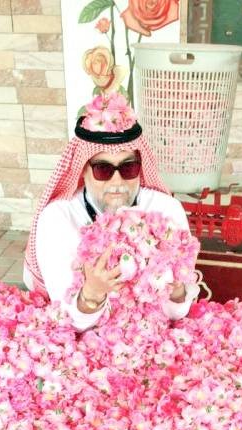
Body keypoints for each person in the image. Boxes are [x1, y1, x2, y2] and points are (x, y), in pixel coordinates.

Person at [23, 93, 199, 331]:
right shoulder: (57, 218)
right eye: (103, 169)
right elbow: (68, 321)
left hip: (150, 336)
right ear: (83, 170)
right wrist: (92, 294)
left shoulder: (166, 209)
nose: (117, 181)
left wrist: (176, 290)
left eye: (128, 167)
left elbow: (177, 313)